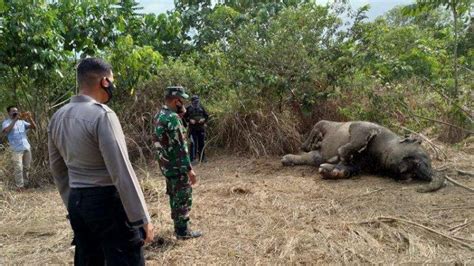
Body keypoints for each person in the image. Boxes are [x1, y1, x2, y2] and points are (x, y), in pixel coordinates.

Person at [48, 58, 154, 265]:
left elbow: (58, 170)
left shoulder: (57, 117)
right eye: (112, 81)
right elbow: (121, 171)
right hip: (107, 203)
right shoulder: (102, 115)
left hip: (77, 203)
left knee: (89, 259)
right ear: (105, 81)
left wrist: (72, 205)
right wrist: (141, 218)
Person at [155, 86, 202, 239]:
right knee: (183, 197)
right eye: (182, 100)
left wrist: (181, 116)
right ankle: (183, 232)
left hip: (166, 165)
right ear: (176, 101)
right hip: (177, 166)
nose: (184, 103)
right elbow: (180, 146)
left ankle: (178, 228)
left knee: (174, 196)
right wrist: (189, 170)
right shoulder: (172, 118)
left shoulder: (160, 115)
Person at [2, 106, 37, 190]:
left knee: (27, 167)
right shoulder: (6, 123)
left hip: (26, 147)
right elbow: (6, 131)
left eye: (17, 111)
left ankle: (26, 184)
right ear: (9, 113)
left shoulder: (22, 122)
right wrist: (14, 120)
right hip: (16, 149)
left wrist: (30, 118)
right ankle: (19, 187)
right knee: (18, 167)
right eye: (13, 111)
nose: (16, 112)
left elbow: (34, 127)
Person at [184, 95, 209, 163]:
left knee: (202, 143)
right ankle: (193, 159)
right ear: (191, 102)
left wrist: (203, 119)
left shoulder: (201, 107)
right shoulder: (188, 108)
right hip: (192, 129)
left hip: (201, 128)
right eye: (195, 102)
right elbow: (184, 117)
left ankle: (202, 158)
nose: (196, 103)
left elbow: (206, 116)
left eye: (197, 101)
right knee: (193, 144)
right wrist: (190, 120)